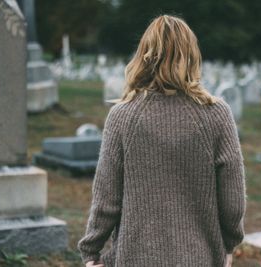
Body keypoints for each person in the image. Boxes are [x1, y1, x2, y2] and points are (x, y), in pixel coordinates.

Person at [77, 14, 246, 267]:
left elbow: (106, 198)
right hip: (200, 257)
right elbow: (233, 200)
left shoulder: (122, 116)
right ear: (191, 56)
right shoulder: (216, 114)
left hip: (135, 258)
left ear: (145, 55)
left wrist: (91, 251)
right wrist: (228, 245)